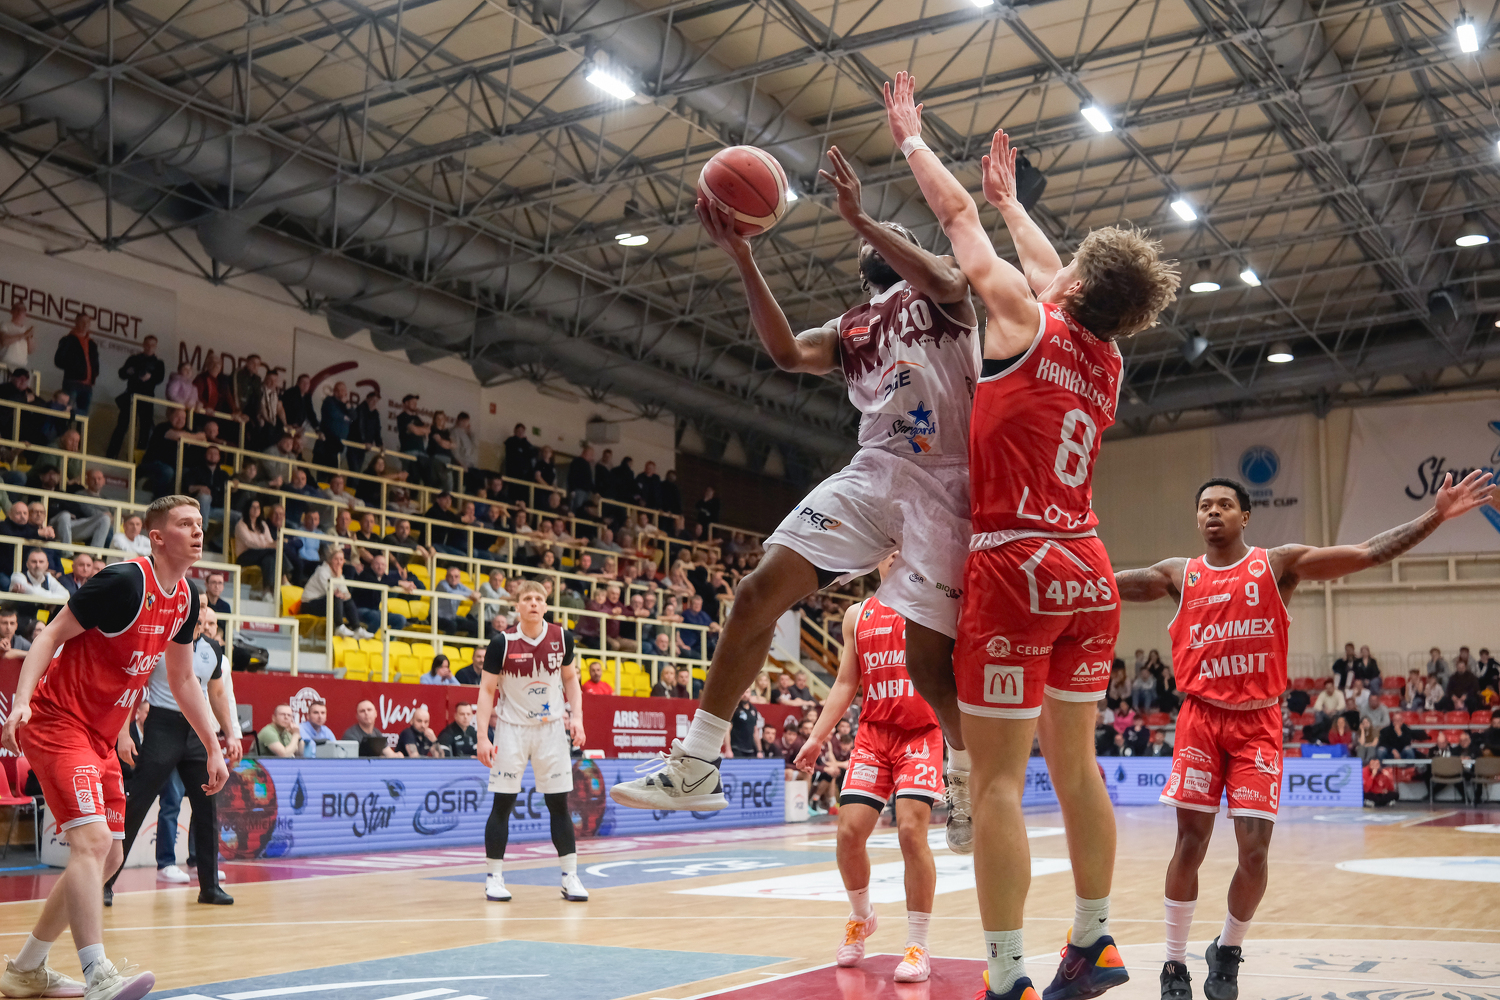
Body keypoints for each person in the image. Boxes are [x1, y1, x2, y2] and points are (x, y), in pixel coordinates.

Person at [886, 78, 1188, 1000]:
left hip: (1015, 561)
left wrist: (912, 142)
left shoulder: (1020, 318)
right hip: (1088, 569)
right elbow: (1051, 270)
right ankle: (1094, 940)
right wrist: (1015, 206)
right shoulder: (1107, 357)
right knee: (1076, 766)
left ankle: (1007, 974)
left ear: (1079, 286)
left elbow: (954, 221)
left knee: (996, 786)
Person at [608, 137, 983, 851]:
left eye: (895, 231)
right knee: (755, 591)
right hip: (875, 470)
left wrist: (862, 218)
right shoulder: (851, 327)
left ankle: (963, 778)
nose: (885, 235)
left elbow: (945, 277)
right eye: (875, 236)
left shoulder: (944, 295)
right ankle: (697, 762)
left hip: (950, 483)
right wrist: (743, 256)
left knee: (930, 668)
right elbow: (786, 354)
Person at [1114, 470, 1494, 1000]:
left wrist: (1435, 516)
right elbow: (1101, 583)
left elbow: (1366, 553)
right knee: (1190, 844)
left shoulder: (1276, 564)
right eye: (1204, 506)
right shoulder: (1179, 574)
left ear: (1245, 516)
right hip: (1199, 720)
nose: (1213, 512)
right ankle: (1174, 964)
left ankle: (1227, 950)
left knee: (1254, 854)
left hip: (1257, 724)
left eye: (1224, 504)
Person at [0, 495, 223, 1000]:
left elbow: (183, 679)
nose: (198, 531)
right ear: (157, 537)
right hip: (57, 721)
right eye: (185, 524)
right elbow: (50, 635)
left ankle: (26, 969)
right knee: (93, 842)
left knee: (109, 856)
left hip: (100, 736)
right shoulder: (123, 582)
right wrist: (21, 702)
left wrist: (212, 744)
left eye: (200, 523)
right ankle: (97, 974)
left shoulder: (186, 599)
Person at [793, 552, 941, 983]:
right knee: (848, 833)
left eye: (903, 548)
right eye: (888, 549)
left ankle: (918, 944)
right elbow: (846, 681)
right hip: (874, 736)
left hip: (920, 733)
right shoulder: (857, 615)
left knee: (911, 831)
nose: (895, 555)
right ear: (876, 558)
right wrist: (817, 737)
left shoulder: (937, 604)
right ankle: (862, 916)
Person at [105, 604, 239, 904]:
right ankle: (105, 882)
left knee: (207, 806)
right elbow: (134, 685)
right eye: (197, 612)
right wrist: (124, 733)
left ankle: (209, 887)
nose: (201, 618)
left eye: (205, 615)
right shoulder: (161, 641)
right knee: (138, 802)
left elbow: (217, 694)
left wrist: (229, 734)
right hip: (162, 726)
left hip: (197, 730)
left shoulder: (212, 649)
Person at [476, 580, 588, 903]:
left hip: (551, 729)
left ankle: (570, 876)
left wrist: (577, 718)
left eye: (539, 598)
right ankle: (494, 878)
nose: (534, 603)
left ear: (546, 605)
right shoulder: (502, 643)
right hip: (511, 729)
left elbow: (571, 680)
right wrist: (482, 737)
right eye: (528, 598)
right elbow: (486, 690)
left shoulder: (562, 638)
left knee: (559, 804)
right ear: (518, 606)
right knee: (503, 804)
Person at [106, 336, 165, 459]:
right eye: (147, 344)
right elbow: (122, 374)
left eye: (152, 345)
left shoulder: (159, 364)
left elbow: (160, 378)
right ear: (143, 345)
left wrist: (150, 377)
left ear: (156, 347)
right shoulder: (134, 359)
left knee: (145, 430)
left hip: (147, 399)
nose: (149, 347)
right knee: (122, 426)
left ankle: (138, 459)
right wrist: (129, 371)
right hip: (131, 396)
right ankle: (111, 456)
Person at [53, 314, 99, 414]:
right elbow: (58, 360)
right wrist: (74, 369)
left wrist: (95, 373)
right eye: (82, 322)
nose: (85, 324)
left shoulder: (92, 344)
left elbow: (95, 363)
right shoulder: (68, 340)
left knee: (83, 415)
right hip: (72, 383)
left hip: (88, 386)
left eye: (87, 322)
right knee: (66, 412)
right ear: (76, 322)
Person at [729, 694, 764, 758]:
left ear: (750, 694)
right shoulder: (735, 709)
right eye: (743, 692)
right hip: (736, 748)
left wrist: (759, 750)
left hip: (750, 748)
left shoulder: (753, 709)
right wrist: (728, 749)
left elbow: (755, 731)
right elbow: (727, 730)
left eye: (747, 692)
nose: (745, 695)